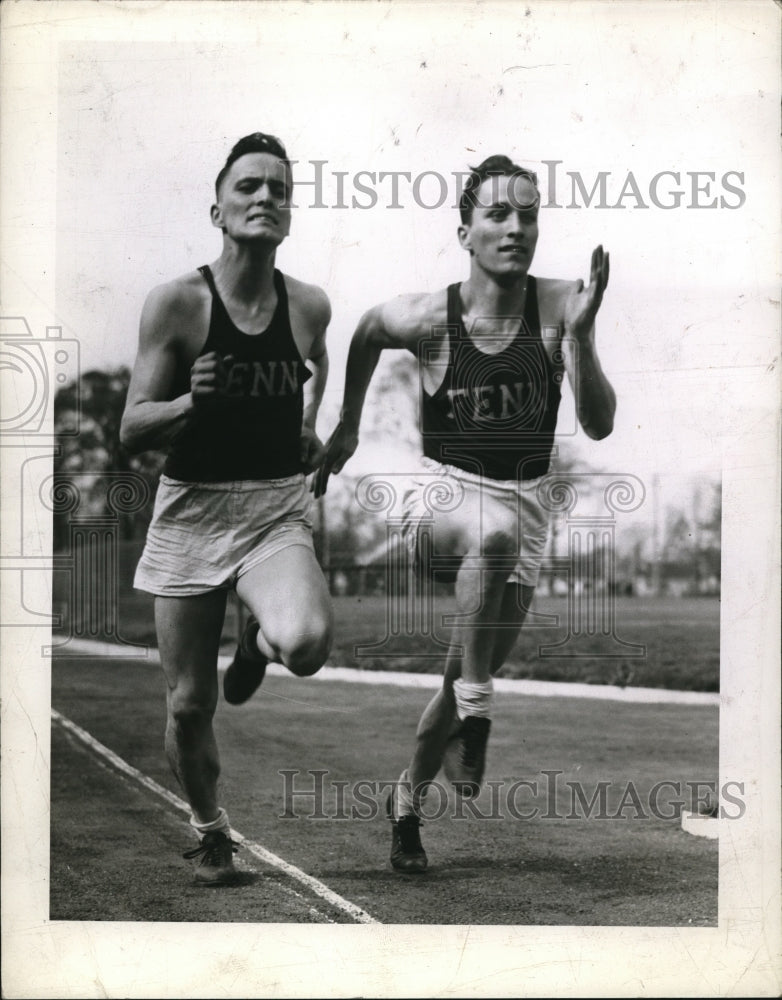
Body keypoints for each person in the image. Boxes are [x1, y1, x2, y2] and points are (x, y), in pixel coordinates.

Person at [313, 155, 616, 873]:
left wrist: (582, 337)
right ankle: (482, 708)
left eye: (529, 214)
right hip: (441, 503)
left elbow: (599, 425)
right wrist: (348, 425)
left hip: (525, 519)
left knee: (449, 687)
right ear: (465, 230)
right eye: (498, 214)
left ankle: (406, 807)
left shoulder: (561, 305)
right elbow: (363, 329)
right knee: (491, 538)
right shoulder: (428, 316)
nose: (516, 227)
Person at [120, 132, 333, 885]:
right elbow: (130, 428)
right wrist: (190, 399)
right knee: (187, 708)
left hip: (273, 508)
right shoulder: (177, 303)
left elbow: (318, 367)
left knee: (305, 643)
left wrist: (307, 425)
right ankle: (210, 827)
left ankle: (257, 644)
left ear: (290, 213)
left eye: (279, 187)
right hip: (191, 513)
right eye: (249, 186)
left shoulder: (309, 305)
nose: (265, 197)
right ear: (218, 207)